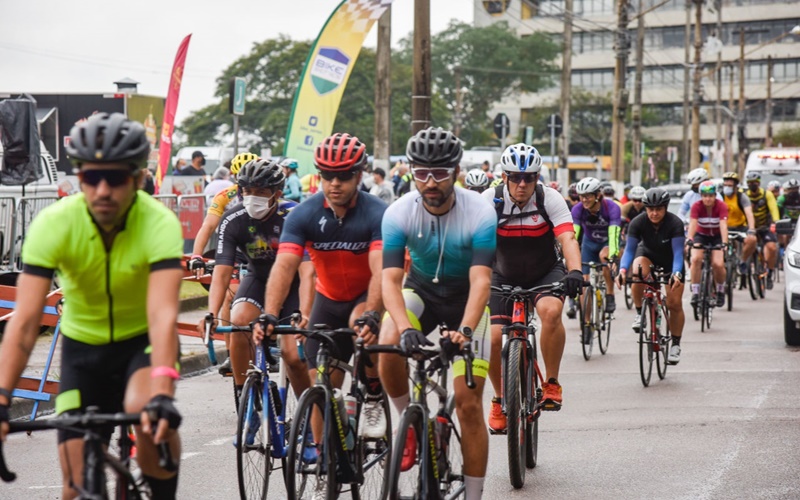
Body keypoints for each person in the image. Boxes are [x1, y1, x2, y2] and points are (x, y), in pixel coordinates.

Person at [0, 113, 183, 499]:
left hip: (142, 345)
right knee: (75, 485)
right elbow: (26, 322)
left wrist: (163, 392)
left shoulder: (159, 223)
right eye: (90, 177)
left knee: (149, 419)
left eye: (115, 179)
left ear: (138, 179)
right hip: (82, 352)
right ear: (79, 177)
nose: (102, 190)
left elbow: (163, 315)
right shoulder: (55, 224)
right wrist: (2, 397)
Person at [379, 127, 495, 500]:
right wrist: (403, 328)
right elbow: (390, 280)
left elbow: (481, 281)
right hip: (422, 293)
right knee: (388, 342)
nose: (430, 182)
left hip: (466, 300)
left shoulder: (480, 211)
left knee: (468, 404)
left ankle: (473, 495)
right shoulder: (399, 212)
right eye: (421, 172)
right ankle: (409, 423)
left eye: (440, 173)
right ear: (411, 171)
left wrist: (465, 331)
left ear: (456, 172)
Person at [254, 133, 388, 451]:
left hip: (364, 297)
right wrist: (269, 314)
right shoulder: (305, 214)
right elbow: (285, 266)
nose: (334, 183)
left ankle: (372, 394)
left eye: (343, 176)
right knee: (321, 388)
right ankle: (326, 459)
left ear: (359, 175)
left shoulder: (377, 212)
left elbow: (381, 269)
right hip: (327, 301)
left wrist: (372, 313)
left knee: (360, 325)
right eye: (327, 175)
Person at [198, 159, 314, 424]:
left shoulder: (294, 216)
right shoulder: (232, 219)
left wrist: (305, 313)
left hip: (294, 284)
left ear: (277, 193)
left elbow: (308, 272)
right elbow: (222, 272)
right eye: (247, 191)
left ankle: (309, 416)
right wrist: (211, 313)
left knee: (292, 355)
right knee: (238, 322)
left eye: (261, 192)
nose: (252, 197)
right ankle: (246, 400)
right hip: (259, 279)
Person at [482, 143, 582, 433]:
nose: (522, 184)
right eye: (515, 177)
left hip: (544, 271)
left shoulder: (549, 198)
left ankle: (551, 382)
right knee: (492, 337)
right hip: (502, 273)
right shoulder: (490, 200)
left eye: (529, 177)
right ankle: (499, 399)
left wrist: (576, 271)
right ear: (504, 176)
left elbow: (567, 238)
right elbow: (474, 244)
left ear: (538, 177)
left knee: (551, 311)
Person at [187, 152, 257, 375]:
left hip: (261, 247)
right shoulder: (226, 196)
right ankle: (231, 352)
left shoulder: (267, 193)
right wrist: (196, 255)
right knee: (229, 295)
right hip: (234, 249)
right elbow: (208, 226)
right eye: (241, 179)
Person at [617, 187, 685, 365]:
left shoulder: (675, 223)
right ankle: (640, 312)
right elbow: (629, 250)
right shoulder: (638, 222)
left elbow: (678, 254)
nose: (654, 213)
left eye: (659, 209)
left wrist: (677, 273)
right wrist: (622, 270)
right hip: (647, 254)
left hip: (671, 260)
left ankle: (675, 344)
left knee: (674, 303)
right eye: (650, 209)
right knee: (638, 271)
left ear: (665, 208)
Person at [572, 177, 621, 313]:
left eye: (588, 196)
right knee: (584, 284)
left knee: (605, 257)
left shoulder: (612, 208)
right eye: (581, 196)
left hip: (607, 242)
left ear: (598, 195)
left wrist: (613, 256)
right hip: (589, 243)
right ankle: (587, 322)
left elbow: (614, 233)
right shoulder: (577, 209)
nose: (584, 200)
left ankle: (610, 294)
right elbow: (573, 235)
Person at [686, 181, 729, 308]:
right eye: (705, 196)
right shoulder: (696, 206)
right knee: (695, 259)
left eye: (710, 196)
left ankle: (720, 290)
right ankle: (695, 292)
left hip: (717, 237)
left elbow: (723, 225)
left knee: (718, 264)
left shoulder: (721, 206)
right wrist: (690, 238)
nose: (708, 199)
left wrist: (724, 242)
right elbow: (693, 224)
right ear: (701, 196)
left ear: (715, 196)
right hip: (701, 235)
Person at [743, 171, 780, 289]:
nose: (752, 184)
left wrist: (776, 222)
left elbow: (774, 209)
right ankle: (741, 266)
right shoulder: (744, 195)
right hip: (748, 227)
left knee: (772, 247)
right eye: (750, 183)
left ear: (759, 183)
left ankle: (769, 273)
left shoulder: (767, 194)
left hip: (764, 227)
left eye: (754, 182)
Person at [720, 171, 757, 282]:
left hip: (740, 227)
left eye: (730, 185)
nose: (727, 187)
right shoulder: (720, 196)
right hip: (723, 227)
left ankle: (742, 261)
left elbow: (749, 214)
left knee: (752, 240)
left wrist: (751, 229)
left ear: (736, 186)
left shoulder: (742, 197)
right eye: (725, 185)